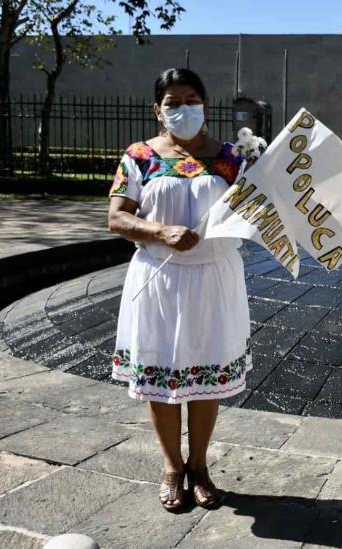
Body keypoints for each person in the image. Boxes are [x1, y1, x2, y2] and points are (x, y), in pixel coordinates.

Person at [108, 68, 251, 512]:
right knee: (160, 377)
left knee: (205, 376)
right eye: (173, 102)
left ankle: (200, 465)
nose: (182, 108)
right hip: (160, 279)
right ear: (158, 110)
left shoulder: (231, 159)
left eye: (191, 99)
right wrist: (158, 231)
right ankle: (172, 466)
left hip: (214, 278)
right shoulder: (139, 157)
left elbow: (258, 213)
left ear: (206, 106)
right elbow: (116, 218)